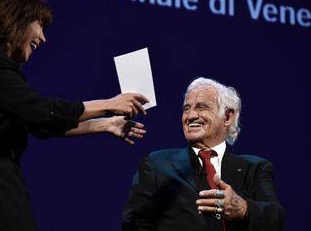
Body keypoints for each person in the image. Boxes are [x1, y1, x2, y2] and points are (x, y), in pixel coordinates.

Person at [0, 0, 149, 230]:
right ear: (17, 17)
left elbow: (42, 125)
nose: (43, 38)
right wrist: (109, 104)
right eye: (40, 25)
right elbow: (42, 111)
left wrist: (106, 124)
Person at [122, 77, 285, 231]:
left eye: (202, 107)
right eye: (187, 108)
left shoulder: (255, 168)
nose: (191, 116)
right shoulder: (157, 164)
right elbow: (134, 222)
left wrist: (243, 208)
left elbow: (275, 220)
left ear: (227, 116)